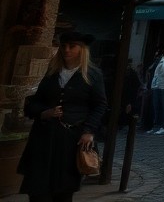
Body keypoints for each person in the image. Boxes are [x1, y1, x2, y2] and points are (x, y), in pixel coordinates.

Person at [18, 30, 108, 202]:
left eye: (72, 46)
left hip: (71, 138)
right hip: (44, 138)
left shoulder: (92, 74)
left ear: (81, 49)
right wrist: (44, 112)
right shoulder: (53, 72)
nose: (66, 50)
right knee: (37, 189)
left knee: (63, 190)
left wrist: (89, 131)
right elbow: (35, 102)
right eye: (64, 46)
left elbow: (100, 105)